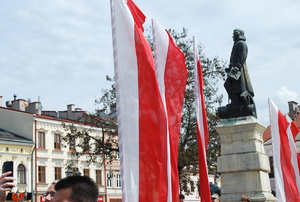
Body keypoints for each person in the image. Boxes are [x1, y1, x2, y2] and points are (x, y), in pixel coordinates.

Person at [224, 28, 254, 106]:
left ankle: (237, 101)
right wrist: (230, 67)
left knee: (236, 85)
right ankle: (235, 100)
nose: (233, 36)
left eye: (235, 34)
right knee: (230, 85)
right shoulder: (236, 44)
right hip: (234, 69)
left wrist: (238, 66)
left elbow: (243, 56)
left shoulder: (241, 43)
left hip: (239, 69)